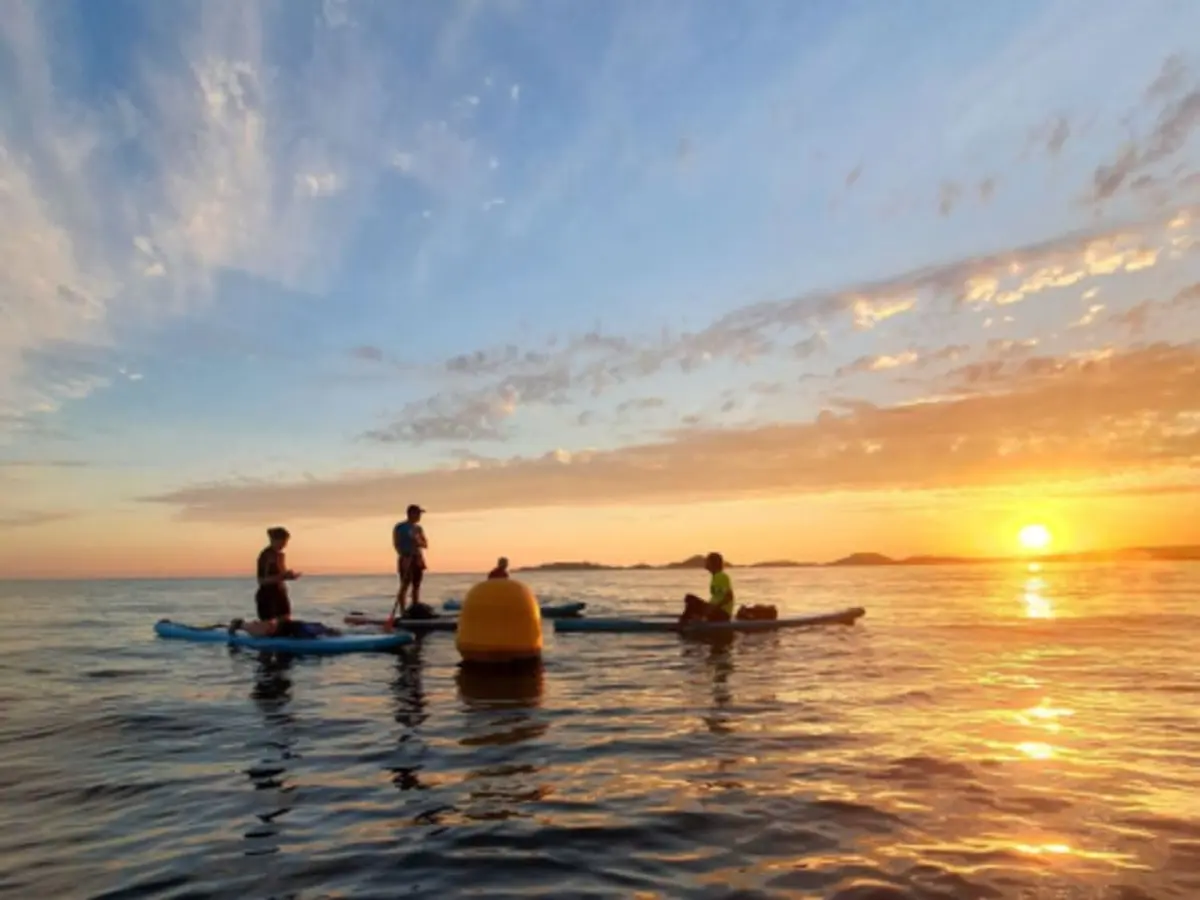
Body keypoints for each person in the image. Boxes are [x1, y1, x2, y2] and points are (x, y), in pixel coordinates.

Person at [229, 527, 339, 638]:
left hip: (280, 593)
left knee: (285, 625)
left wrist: (289, 576)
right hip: (267, 595)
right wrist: (283, 576)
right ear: (273, 540)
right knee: (268, 629)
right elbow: (262, 580)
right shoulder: (265, 556)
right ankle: (240, 624)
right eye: (282, 542)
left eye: (285, 542)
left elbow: (281, 575)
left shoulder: (281, 556)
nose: (284, 545)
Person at [392, 504, 428, 619]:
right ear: (411, 514)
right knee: (404, 585)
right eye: (417, 514)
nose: (419, 516)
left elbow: (425, 544)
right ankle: (403, 611)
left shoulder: (418, 528)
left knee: (416, 585)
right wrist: (404, 555)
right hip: (406, 557)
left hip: (417, 558)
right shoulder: (400, 527)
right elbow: (396, 543)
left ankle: (415, 608)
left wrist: (418, 540)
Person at [679, 552, 735, 624]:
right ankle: (692, 619)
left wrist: (713, 608)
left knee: (690, 598)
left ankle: (683, 623)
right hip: (715, 610)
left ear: (713, 563)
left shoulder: (721, 577)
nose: (705, 563)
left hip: (722, 613)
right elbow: (718, 596)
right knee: (689, 600)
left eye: (707, 561)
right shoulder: (716, 577)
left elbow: (729, 597)